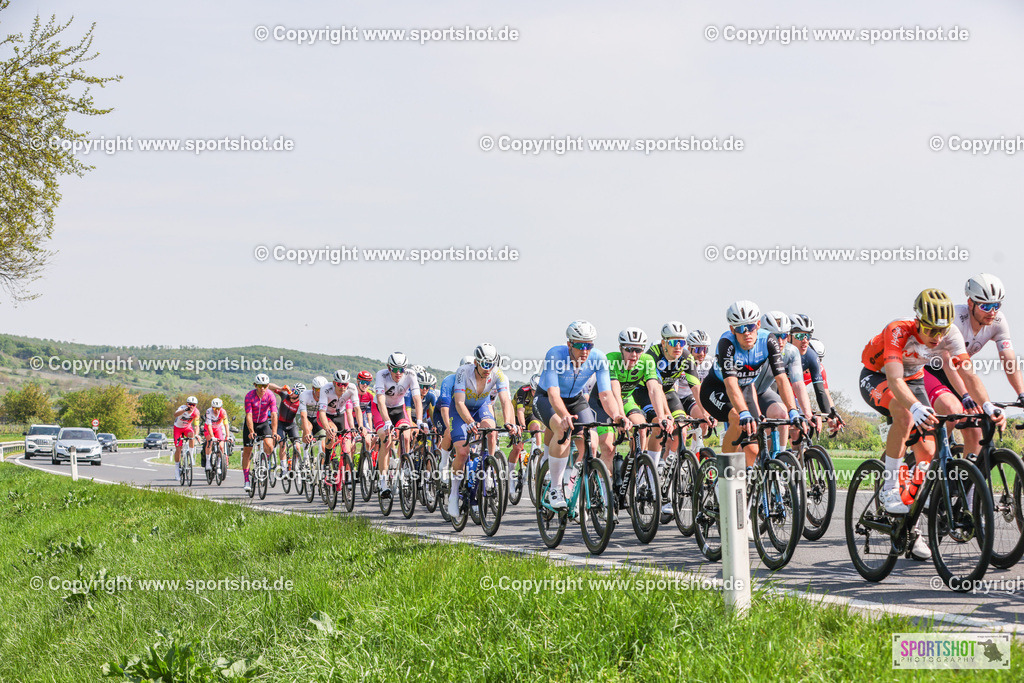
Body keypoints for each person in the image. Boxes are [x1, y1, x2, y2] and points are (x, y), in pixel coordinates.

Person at [860, 288, 1004, 560]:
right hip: (877, 377)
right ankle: (890, 487)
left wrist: (987, 405)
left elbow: (968, 374)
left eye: (941, 331)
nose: (937, 338)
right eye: (930, 331)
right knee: (904, 414)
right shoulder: (898, 330)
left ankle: (911, 527)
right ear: (918, 320)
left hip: (913, 379)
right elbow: (894, 379)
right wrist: (915, 406)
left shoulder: (950, 334)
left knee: (928, 452)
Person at [924, 274, 1024, 457]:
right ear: (970, 303)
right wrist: (965, 395)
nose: (992, 312)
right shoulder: (954, 319)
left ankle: (967, 483)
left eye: (996, 306)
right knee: (950, 410)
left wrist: (1021, 393)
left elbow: (1009, 360)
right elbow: (947, 363)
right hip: (931, 370)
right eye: (986, 306)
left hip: (960, 373)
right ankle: (932, 468)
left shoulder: (998, 322)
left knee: (976, 431)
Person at [535, 320, 625, 510]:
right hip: (546, 398)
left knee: (591, 443)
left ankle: (571, 485)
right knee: (562, 429)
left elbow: (605, 394)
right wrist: (564, 415)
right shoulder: (555, 355)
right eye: (580, 345)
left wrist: (617, 415)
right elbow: (552, 393)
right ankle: (555, 489)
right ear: (569, 344)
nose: (585, 350)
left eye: (589, 345)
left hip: (575, 399)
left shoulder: (599, 358)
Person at [446, 343, 520, 517]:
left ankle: (487, 469)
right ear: (476, 362)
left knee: (492, 431)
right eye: (485, 364)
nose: (488, 369)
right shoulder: (463, 372)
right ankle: (454, 493)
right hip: (460, 410)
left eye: (491, 364)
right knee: (463, 452)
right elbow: (459, 402)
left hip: (482, 406)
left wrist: (510, 422)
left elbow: (505, 401)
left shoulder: (498, 374)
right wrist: (470, 422)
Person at [242, 373, 279, 494]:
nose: (262, 388)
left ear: (268, 386)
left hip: (263, 424)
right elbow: (249, 415)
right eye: (259, 386)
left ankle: (265, 463)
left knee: (269, 445)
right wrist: (251, 431)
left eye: (264, 386)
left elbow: (273, 414)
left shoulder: (270, 396)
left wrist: (274, 432)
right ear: (255, 385)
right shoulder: (249, 396)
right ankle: (247, 480)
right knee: (247, 451)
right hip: (251, 424)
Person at [171, 396, 200, 481]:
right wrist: (184, 410)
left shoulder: (196, 412)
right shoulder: (182, 408)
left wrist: (197, 434)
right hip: (178, 429)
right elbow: (175, 414)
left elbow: (196, 425)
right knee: (178, 448)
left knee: (192, 435)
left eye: (193, 405)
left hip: (187, 428)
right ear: (187, 404)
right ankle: (177, 468)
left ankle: (190, 455)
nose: (191, 406)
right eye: (190, 404)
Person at [201, 397, 229, 473]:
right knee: (210, 442)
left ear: (221, 407)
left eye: (218, 408)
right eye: (214, 408)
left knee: (221, 446)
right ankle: (207, 462)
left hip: (218, 428)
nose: (216, 410)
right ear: (212, 407)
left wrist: (227, 435)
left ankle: (219, 465)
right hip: (209, 428)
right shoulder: (209, 411)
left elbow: (226, 424)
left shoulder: (223, 412)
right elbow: (209, 426)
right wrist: (212, 437)